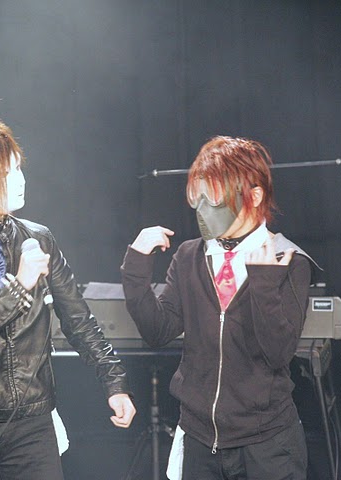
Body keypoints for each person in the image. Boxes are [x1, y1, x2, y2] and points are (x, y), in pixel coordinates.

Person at [0, 112, 136, 480]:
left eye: (18, 169)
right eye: (4, 173)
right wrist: (19, 286)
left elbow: (78, 319)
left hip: (30, 420)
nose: (18, 181)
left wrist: (114, 382)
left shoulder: (38, 238)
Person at [121, 136, 315, 480]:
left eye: (214, 201)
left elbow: (278, 353)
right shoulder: (189, 256)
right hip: (200, 440)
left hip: (266, 445)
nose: (203, 212)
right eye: (198, 200)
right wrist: (136, 267)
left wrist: (264, 282)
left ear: (254, 196)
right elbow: (158, 331)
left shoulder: (288, 259)